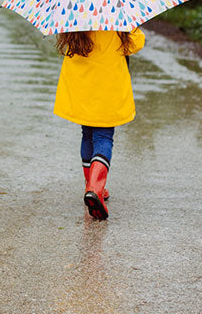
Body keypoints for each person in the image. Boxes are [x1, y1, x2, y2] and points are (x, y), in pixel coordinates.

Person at [54, 28, 145, 221]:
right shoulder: (118, 21)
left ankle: (91, 186)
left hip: (82, 89)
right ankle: (95, 188)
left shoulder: (76, 21)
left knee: (87, 135)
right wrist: (134, 25)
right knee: (103, 137)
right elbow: (137, 43)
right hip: (107, 89)